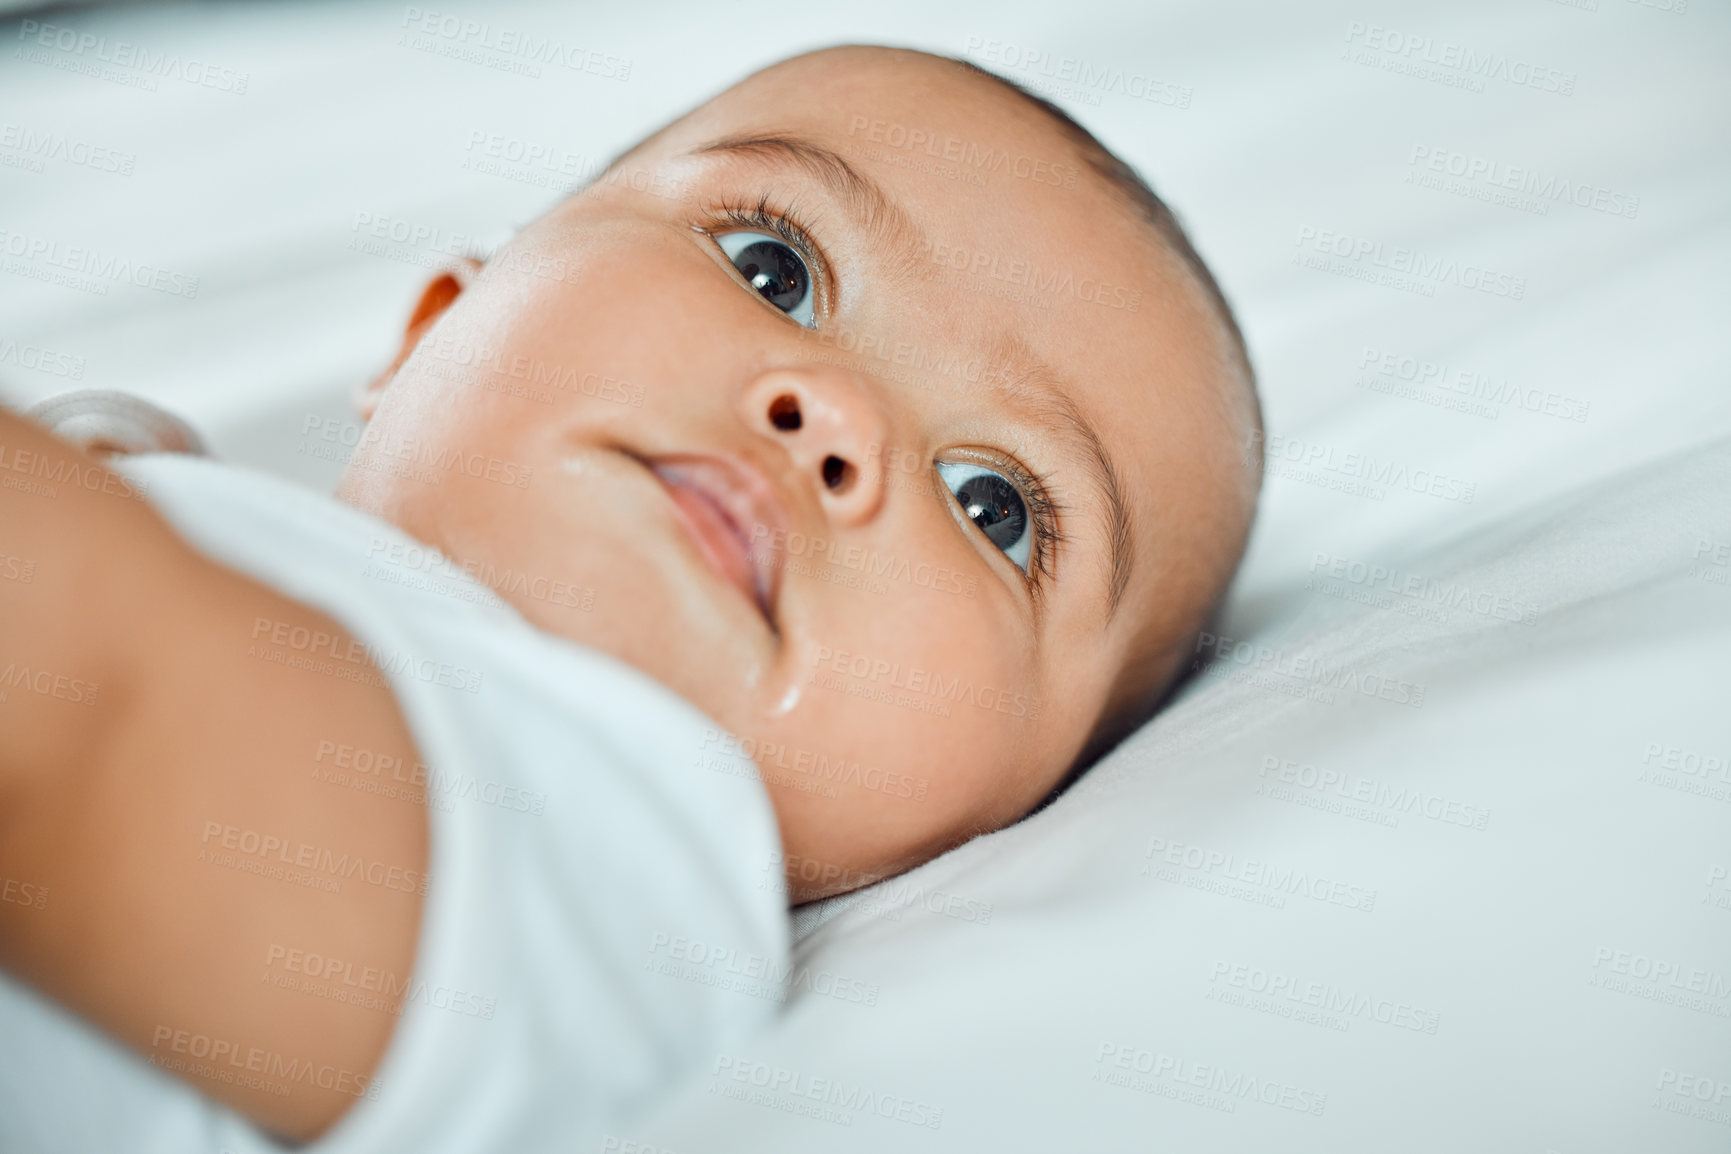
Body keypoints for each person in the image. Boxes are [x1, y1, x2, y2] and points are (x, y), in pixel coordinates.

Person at [0, 45, 1261, 1149]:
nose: (840, 416)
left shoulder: (628, 861)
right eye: (773, 266)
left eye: (994, 506)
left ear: (1017, 799)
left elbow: (98, 711)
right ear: (439, 323)